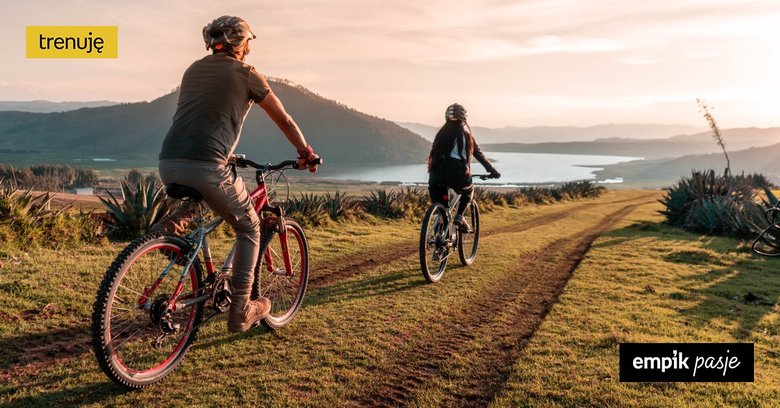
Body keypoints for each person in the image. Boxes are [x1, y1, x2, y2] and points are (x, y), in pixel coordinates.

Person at [151, 15, 319, 333]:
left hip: (170, 160)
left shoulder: (192, 70)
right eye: (248, 43)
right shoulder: (247, 74)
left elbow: (202, 114)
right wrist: (305, 152)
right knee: (250, 228)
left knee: (203, 195)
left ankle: (166, 229)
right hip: (207, 164)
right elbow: (283, 120)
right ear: (240, 43)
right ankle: (241, 309)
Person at [427, 103, 500, 229]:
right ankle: (460, 216)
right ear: (464, 119)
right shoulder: (467, 136)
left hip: (436, 173)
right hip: (457, 172)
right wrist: (493, 171)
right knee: (469, 190)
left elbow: (433, 155)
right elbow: (480, 156)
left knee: (441, 203)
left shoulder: (440, 135)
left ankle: (440, 221)